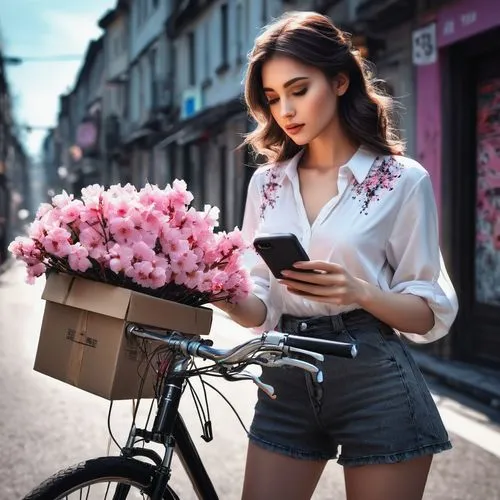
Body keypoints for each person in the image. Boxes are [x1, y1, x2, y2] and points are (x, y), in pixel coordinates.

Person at [216, 11, 458, 500]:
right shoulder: (266, 183)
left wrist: (360, 291)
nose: (285, 109)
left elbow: (428, 311)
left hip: (374, 377)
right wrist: (219, 290)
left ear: (341, 80)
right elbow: (260, 303)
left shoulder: (401, 180)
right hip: (284, 370)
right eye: (272, 98)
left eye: (298, 89)